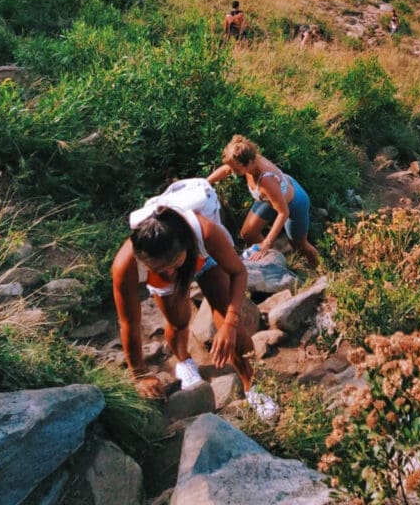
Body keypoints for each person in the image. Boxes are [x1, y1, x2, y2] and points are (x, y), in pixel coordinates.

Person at [111, 201, 277, 419]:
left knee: (234, 333)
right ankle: (184, 361)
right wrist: (139, 374)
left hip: (204, 260)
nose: (170, 272)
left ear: (185, 246)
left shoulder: (205, 232)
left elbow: (239, 272)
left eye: (173, 264)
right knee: (178, 323)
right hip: (174, 266)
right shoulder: (125, 265)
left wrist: (230, 323)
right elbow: (128, 323)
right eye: (159, 268)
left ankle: (253, 386)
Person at [208, 135, 319, 268]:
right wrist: (205, 183)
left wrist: (267, 243)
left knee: (299, 245)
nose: (233, 172)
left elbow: (283, 212)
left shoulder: (266, 180)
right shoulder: (248, 159)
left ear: (249, 163)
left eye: (236, 170)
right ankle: (273, 262)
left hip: (294, 203)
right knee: (248, 234)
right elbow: (227, 168)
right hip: (270, 197)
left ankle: (320, 269)